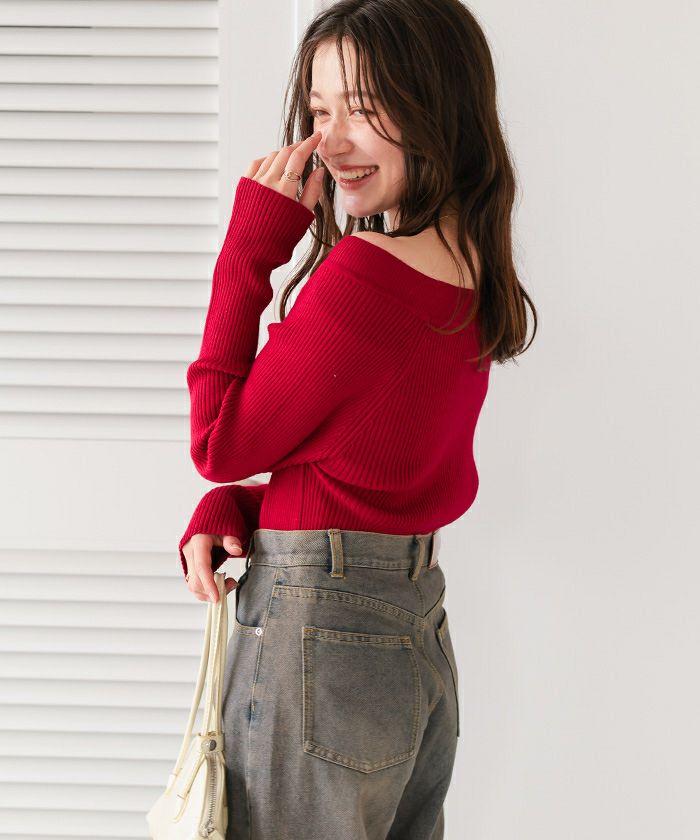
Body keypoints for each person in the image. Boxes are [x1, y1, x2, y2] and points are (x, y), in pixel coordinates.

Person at [179, 1, 537, 837]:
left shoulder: (366, 276)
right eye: (319, 110)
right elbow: (372, 480)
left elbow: (218, 441)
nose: (331, 142)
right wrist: (246, 510)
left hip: (319, 639)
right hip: (411, 637)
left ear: (436, 108)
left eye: (364, 109)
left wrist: (248, 250)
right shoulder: (470, 271)